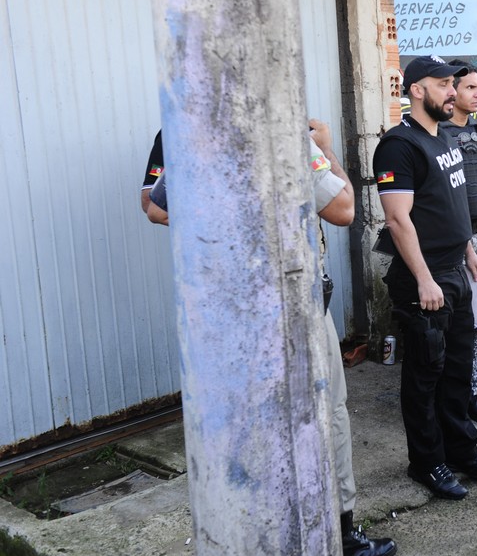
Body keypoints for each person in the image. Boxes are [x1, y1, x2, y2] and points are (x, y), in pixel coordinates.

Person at [140, 124, 396, 556]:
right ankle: (339, 533)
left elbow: (155, 208)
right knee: (326, 415)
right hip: (296, 309)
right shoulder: (280, 125)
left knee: (250, 428)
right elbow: (344, 209)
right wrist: (324, 150)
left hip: (233, 314)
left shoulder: (190, 124)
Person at [373, 55, 477, 501]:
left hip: (456, 272)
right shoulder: (398, 146)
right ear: (416, 90)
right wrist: (425, 279)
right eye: (443, 84)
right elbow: (397, 220)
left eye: (453, 83)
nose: (452, 91)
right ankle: (426, 463)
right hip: (423, 281)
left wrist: (469, 254)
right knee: (425, 374)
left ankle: (463, 451)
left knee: (458, 371)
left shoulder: (445, 136)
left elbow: (452, 205)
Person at [439, 59, 477, 426]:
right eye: (470, 88)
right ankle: (449, 397)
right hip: (449, 236)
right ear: (452, 92)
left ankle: (469, 393)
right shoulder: (438, 135)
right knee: (448, 323)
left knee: (476, 319)